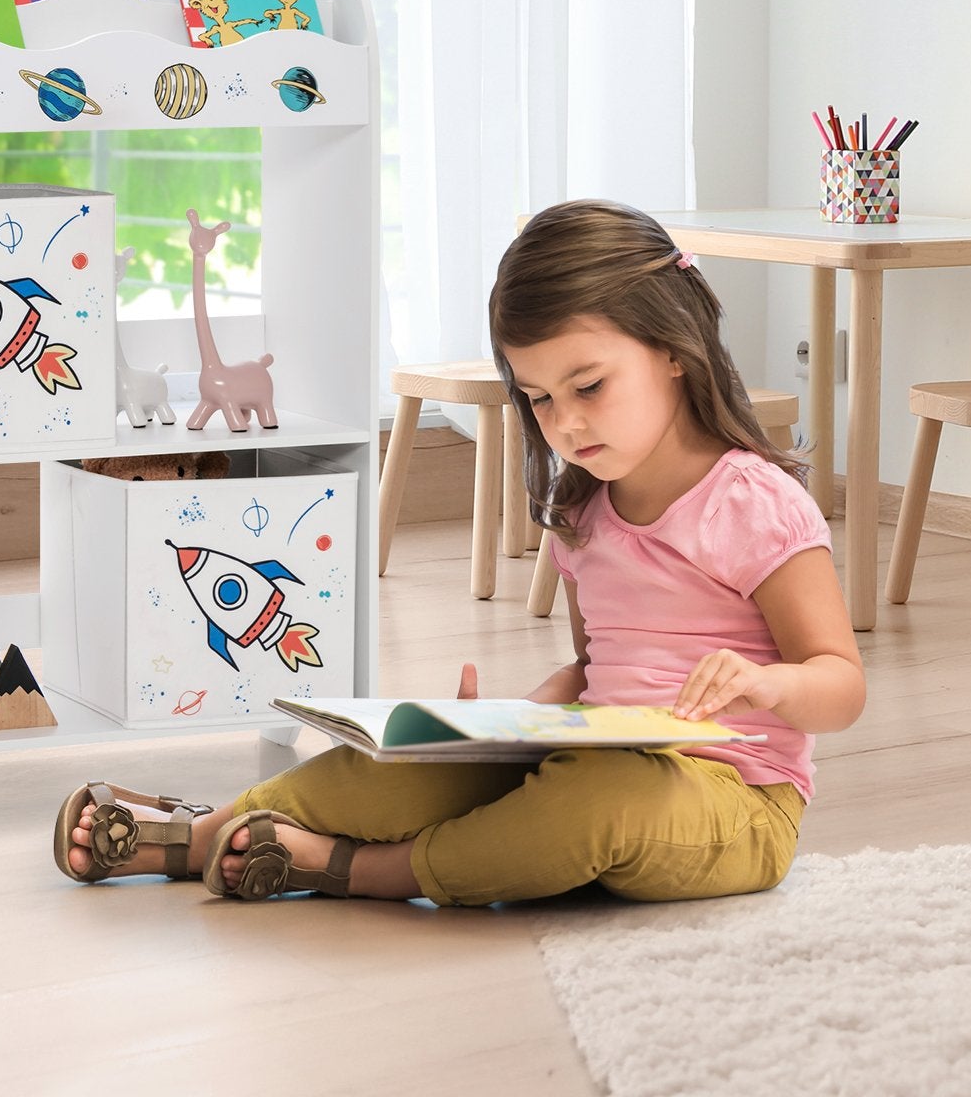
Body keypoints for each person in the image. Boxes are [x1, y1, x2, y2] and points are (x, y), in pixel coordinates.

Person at [52, 198, 865, 904]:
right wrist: (496, 726)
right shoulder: (586, 510)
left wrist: (765, 683)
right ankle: (206, 834)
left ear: (675, 353)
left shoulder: (755, 506)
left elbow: (841, 685)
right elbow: (596, 671)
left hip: (737, 801)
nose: (567, 424)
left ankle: (359, 872)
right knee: (403, 759)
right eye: (539, 399)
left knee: (596, 801)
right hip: (600, 750)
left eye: (589, 387)